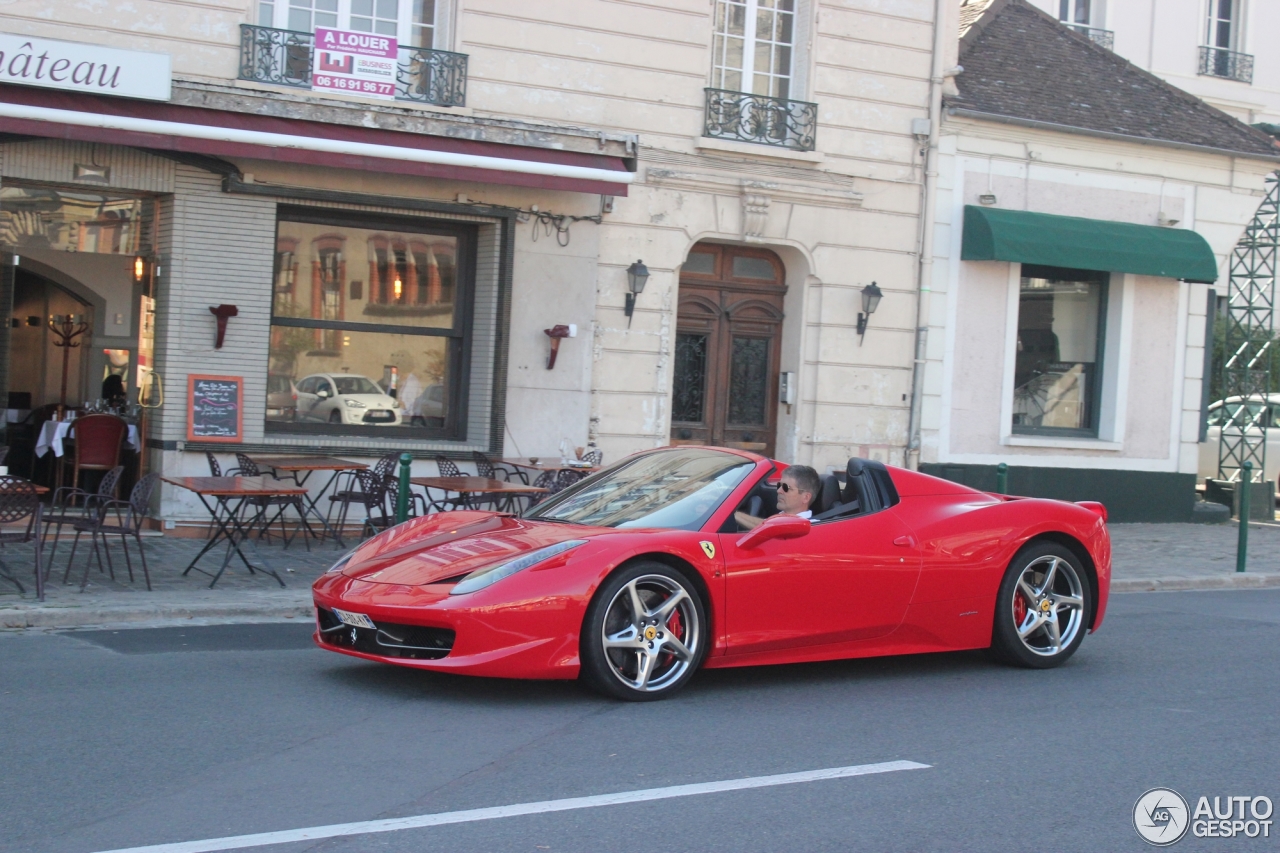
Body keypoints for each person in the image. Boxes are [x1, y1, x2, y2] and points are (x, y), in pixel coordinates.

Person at [735, 464, 819, 531]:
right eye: (779, 485)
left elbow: (769, 527)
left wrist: (732, 514)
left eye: (786, 487)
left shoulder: (813, 527)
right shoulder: (779, 517)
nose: (779, 491)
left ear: (806, 498)